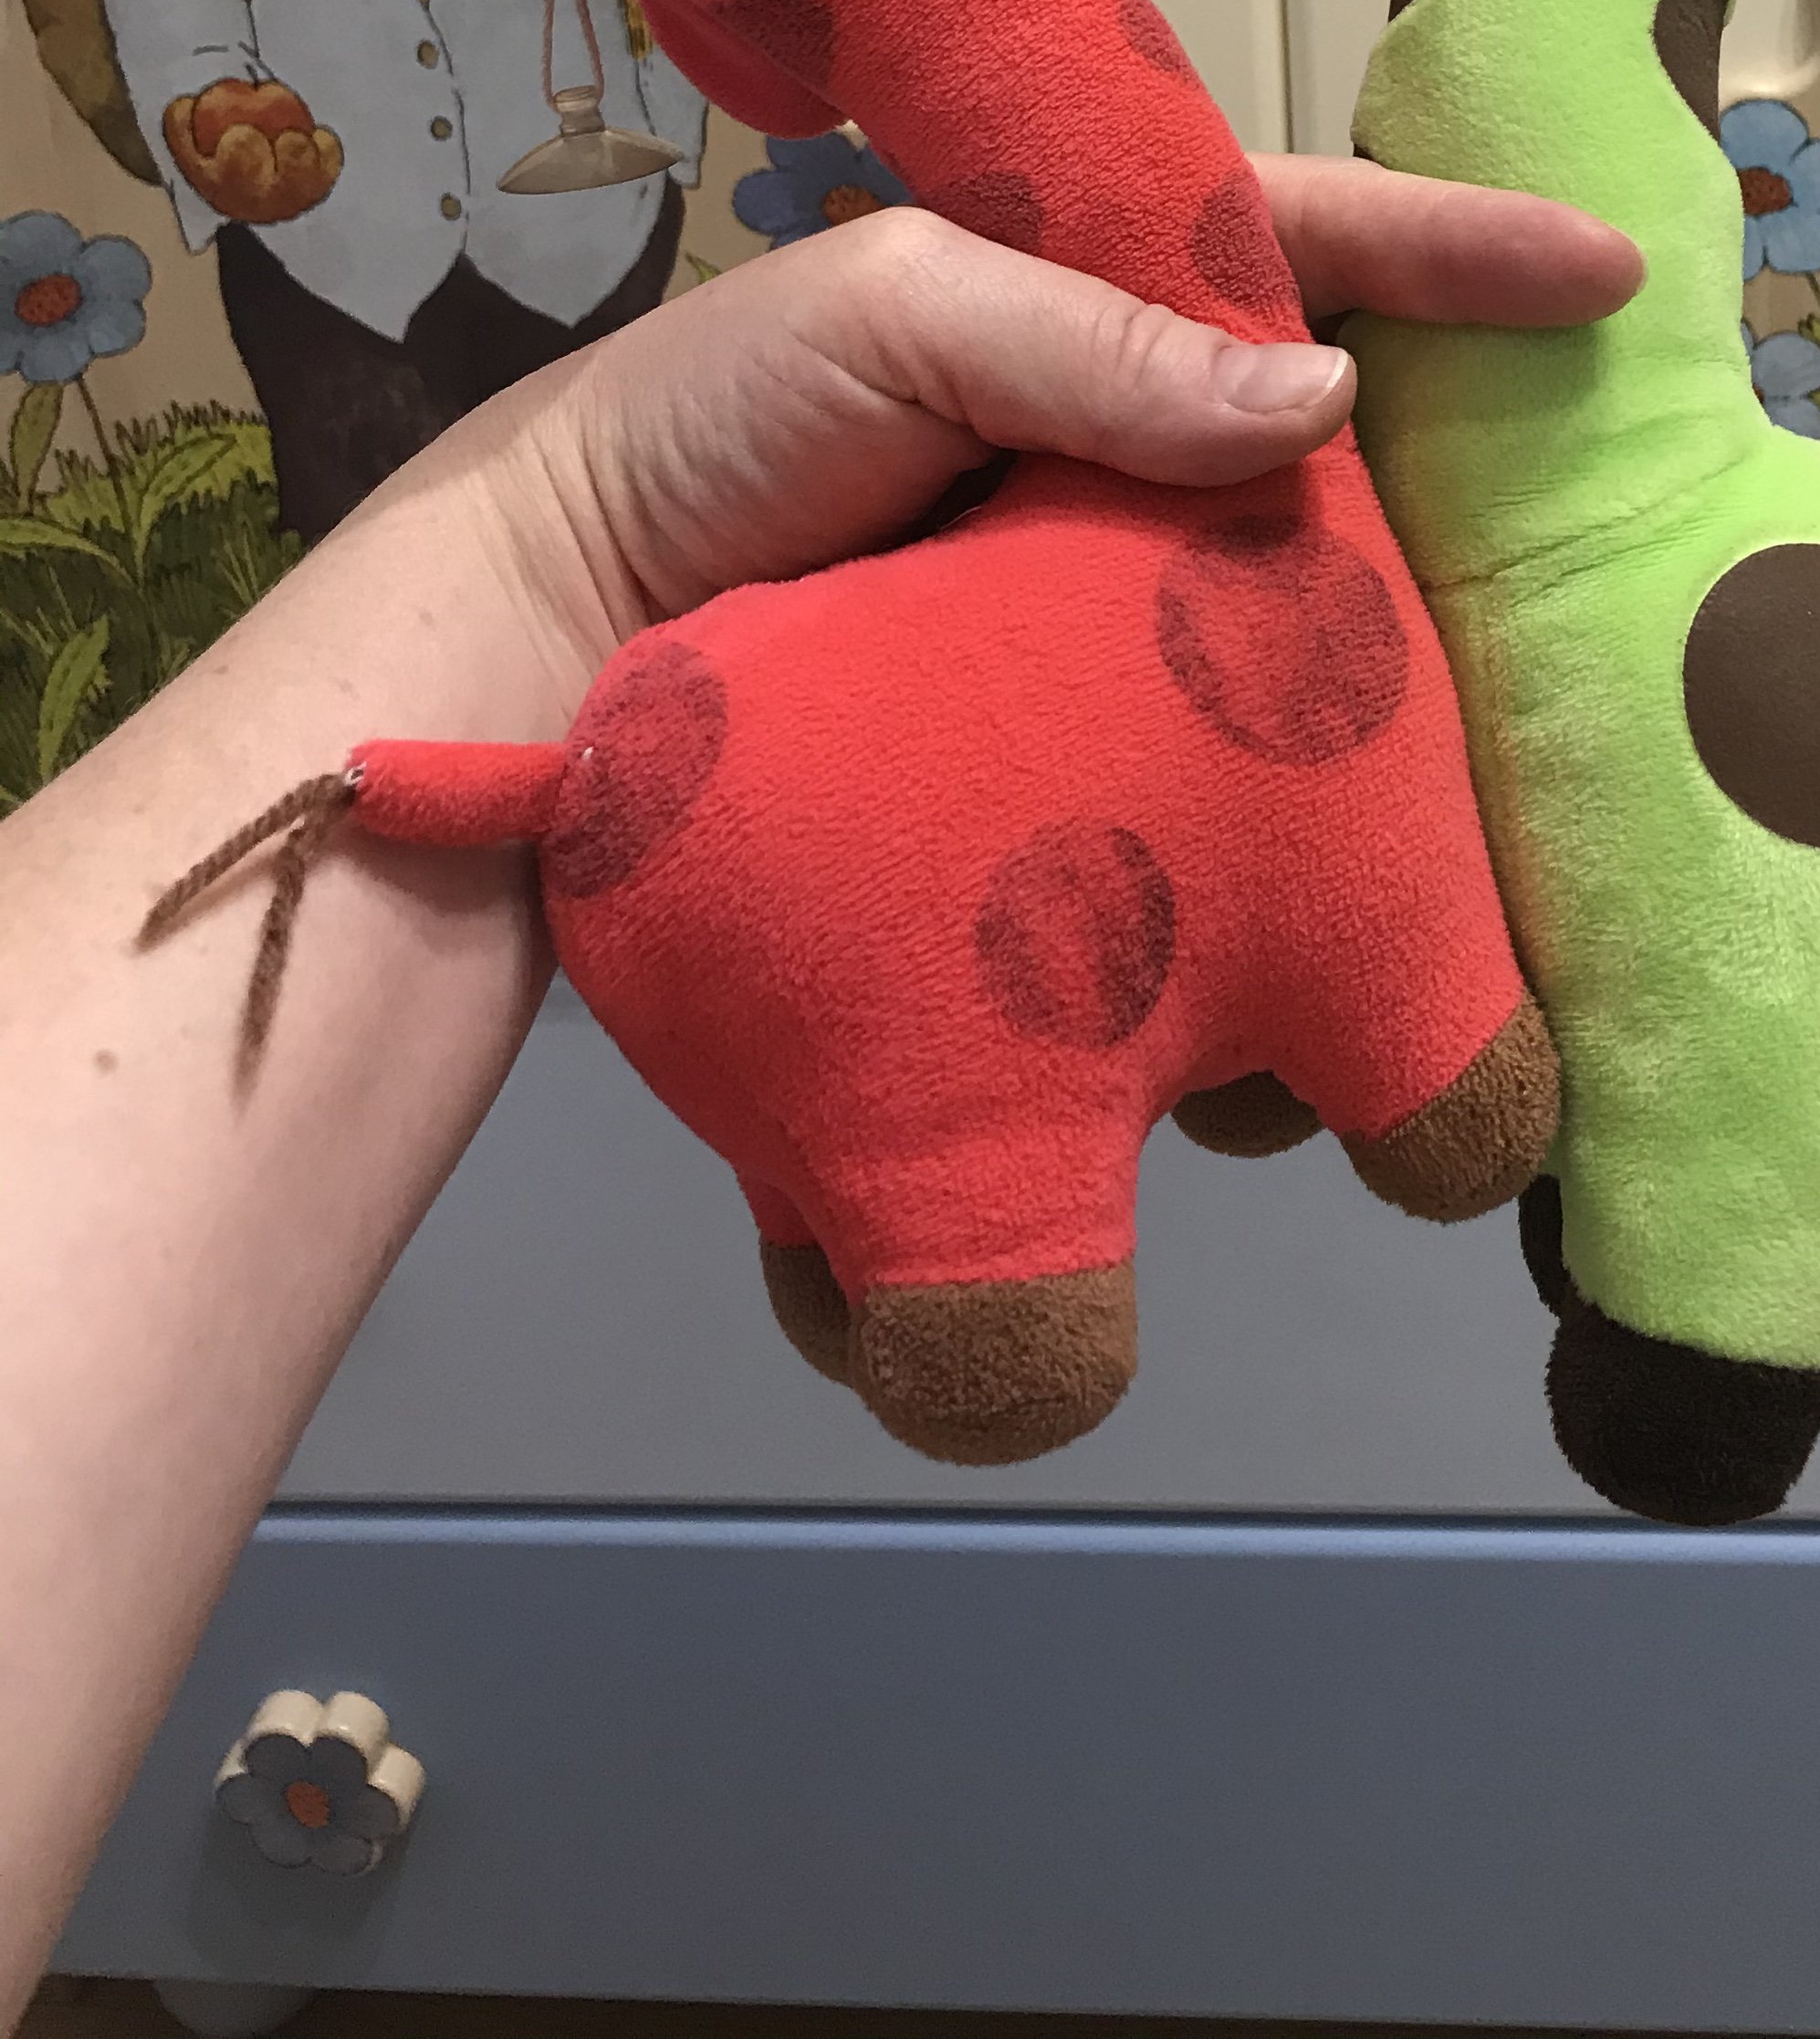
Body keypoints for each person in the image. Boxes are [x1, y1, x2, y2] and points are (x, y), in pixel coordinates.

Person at [0, 156, 1639, 2000]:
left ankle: (848, 1227)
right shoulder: (1322, 582)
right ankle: (967, 1262)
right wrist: (565, 523)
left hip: (696, 746)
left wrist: (572, 528)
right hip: (809, 780)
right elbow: (1456, 1114)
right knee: (1428, 1102)